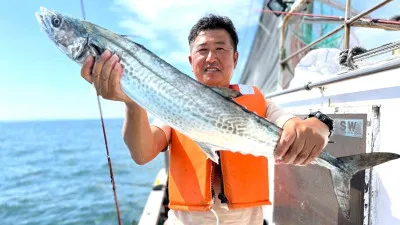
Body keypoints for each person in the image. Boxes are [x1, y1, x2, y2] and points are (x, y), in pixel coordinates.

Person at [81, 14, 330, 225]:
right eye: (203, 50)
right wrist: (132, 100)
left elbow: (291, 124)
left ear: (235, 58)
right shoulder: (173, 102)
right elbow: (142, 153)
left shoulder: (258, 101)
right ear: (191, 62)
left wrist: (317, 125)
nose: (211, 58)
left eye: (220, 49)